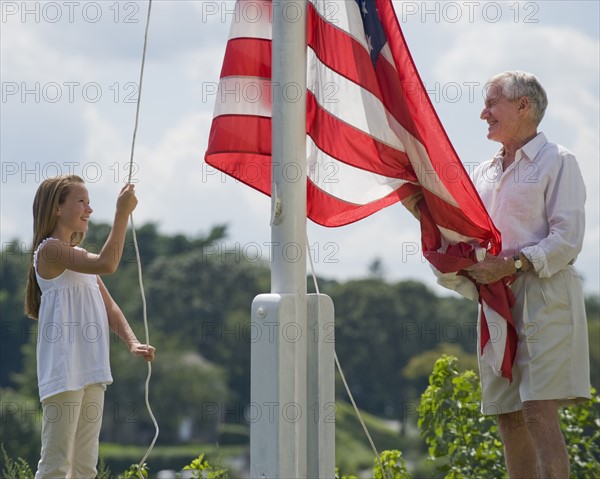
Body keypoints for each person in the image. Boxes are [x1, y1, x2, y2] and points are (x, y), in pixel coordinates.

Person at [463, 71, 591, 478]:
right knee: (508, 414)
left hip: (545, 294)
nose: (483, 113)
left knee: (537, 408)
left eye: (492, 102)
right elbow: (466, 234)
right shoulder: (482, 172)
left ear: (523, 106)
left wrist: (515, 263)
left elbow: (568, 238)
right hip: (495, 301)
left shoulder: (559, 160)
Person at [24, 175, 156, 479]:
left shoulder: (78, 258)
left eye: (88, 201)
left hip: (92, 370)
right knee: (56, 465)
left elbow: (110, 307)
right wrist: (122, 213)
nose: (89, 209)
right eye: (80, 201)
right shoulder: (50, 251)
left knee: (85, 467)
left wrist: (132, 341)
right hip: (63, 372)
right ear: (57, 209)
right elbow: (108, 264)